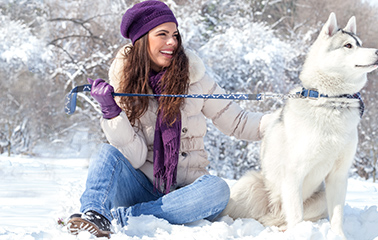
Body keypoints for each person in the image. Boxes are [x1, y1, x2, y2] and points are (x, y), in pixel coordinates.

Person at [66, 0, 267, 238]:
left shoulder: (195, 79)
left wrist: (281, 122)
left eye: (175, 34)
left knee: (218, 189)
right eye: (162, 34)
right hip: (141, 186)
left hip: (187, 192)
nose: (172, 42)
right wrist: (113, 114)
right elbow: (136, 156)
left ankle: (126, 217)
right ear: (142, 40)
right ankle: (94, 214)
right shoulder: (125, 85)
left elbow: (238, 121)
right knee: (105, 153)